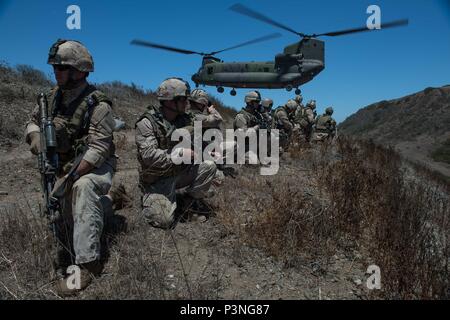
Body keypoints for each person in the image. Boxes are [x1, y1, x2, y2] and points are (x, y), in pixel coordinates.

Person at [25, 39, 116, 296]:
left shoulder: (98, 105)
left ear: (79, 71)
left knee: (83, 188)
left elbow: (98, 149)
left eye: (61, 68)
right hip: (63, 167)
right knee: (62, 222)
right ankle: (107, 207)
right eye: (54, 67)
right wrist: (34, 136)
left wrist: (70, 177)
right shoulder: (51, 98)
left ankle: (87, 264)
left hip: (93, 167)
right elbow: (32, 122)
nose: (55, 72)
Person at [135, 78, 217, 229]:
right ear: (171, 101)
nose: (187, 103)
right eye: (184, 99)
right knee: (164, 221)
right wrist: (180, 154)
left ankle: (188, 202)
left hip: (180, 173)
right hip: (158, 179)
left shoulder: (185, 119)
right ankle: (152, 196)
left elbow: (203, 134)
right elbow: (148, 157)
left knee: (209, 166)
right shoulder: (147, 123)